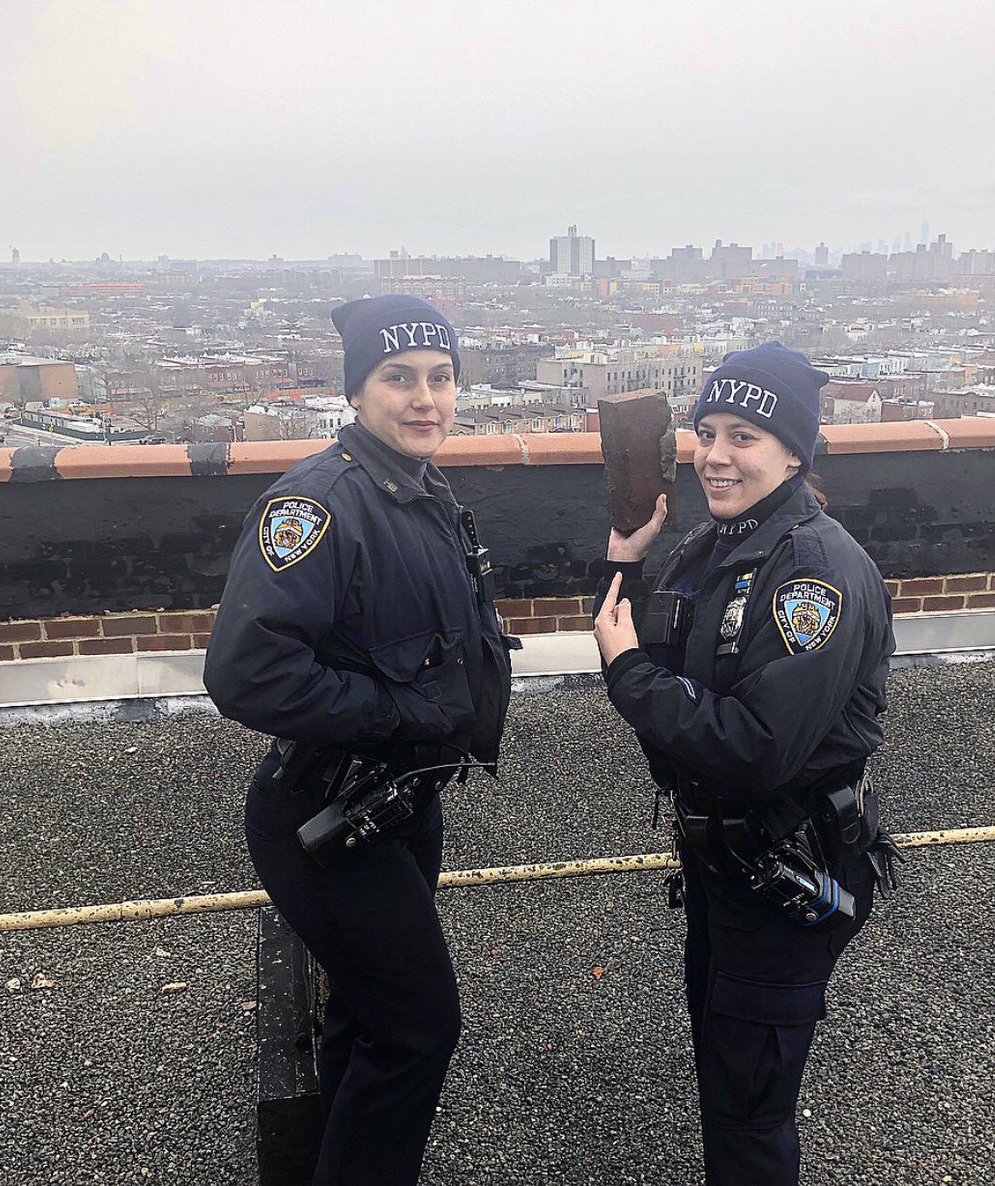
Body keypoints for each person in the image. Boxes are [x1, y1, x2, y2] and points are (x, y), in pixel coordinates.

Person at [203, 294, 515, 1185]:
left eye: (441, 378)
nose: (425, 399)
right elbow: (246, 673)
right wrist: (398, 714)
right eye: (399, 379)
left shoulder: (416, 485)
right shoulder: (321, 503)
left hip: (400, 802)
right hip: (326, 816)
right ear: (357, 393)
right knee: (418, 1027)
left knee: (368, 1016)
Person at [592, 342, 901, 1186]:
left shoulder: (812, 574)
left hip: (786, 864)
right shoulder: (719, 542)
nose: (716, 456)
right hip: (727, 861)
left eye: (745, 437)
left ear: (796, 451)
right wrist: (626, 552)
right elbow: (645, 649)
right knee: (725, 1065)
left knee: (751, 1106)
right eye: (707, 431)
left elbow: (756, 747)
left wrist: (628, 677)